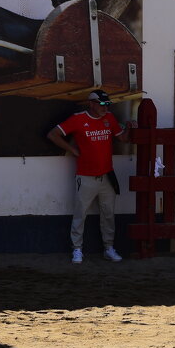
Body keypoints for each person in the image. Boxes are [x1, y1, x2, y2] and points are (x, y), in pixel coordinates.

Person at [47, 89, 135, 263]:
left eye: (107, 104)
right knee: (81, 214)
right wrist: (72, 149)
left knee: (108, 214)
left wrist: (130, 127)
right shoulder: (78, 119)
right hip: (86, 176)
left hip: (107, 176)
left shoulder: (109, 118)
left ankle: (108, 248)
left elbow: (123, 139)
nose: (105, 107)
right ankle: (77, 250)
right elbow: (52, 134)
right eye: (101, 104)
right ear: (91, 103)